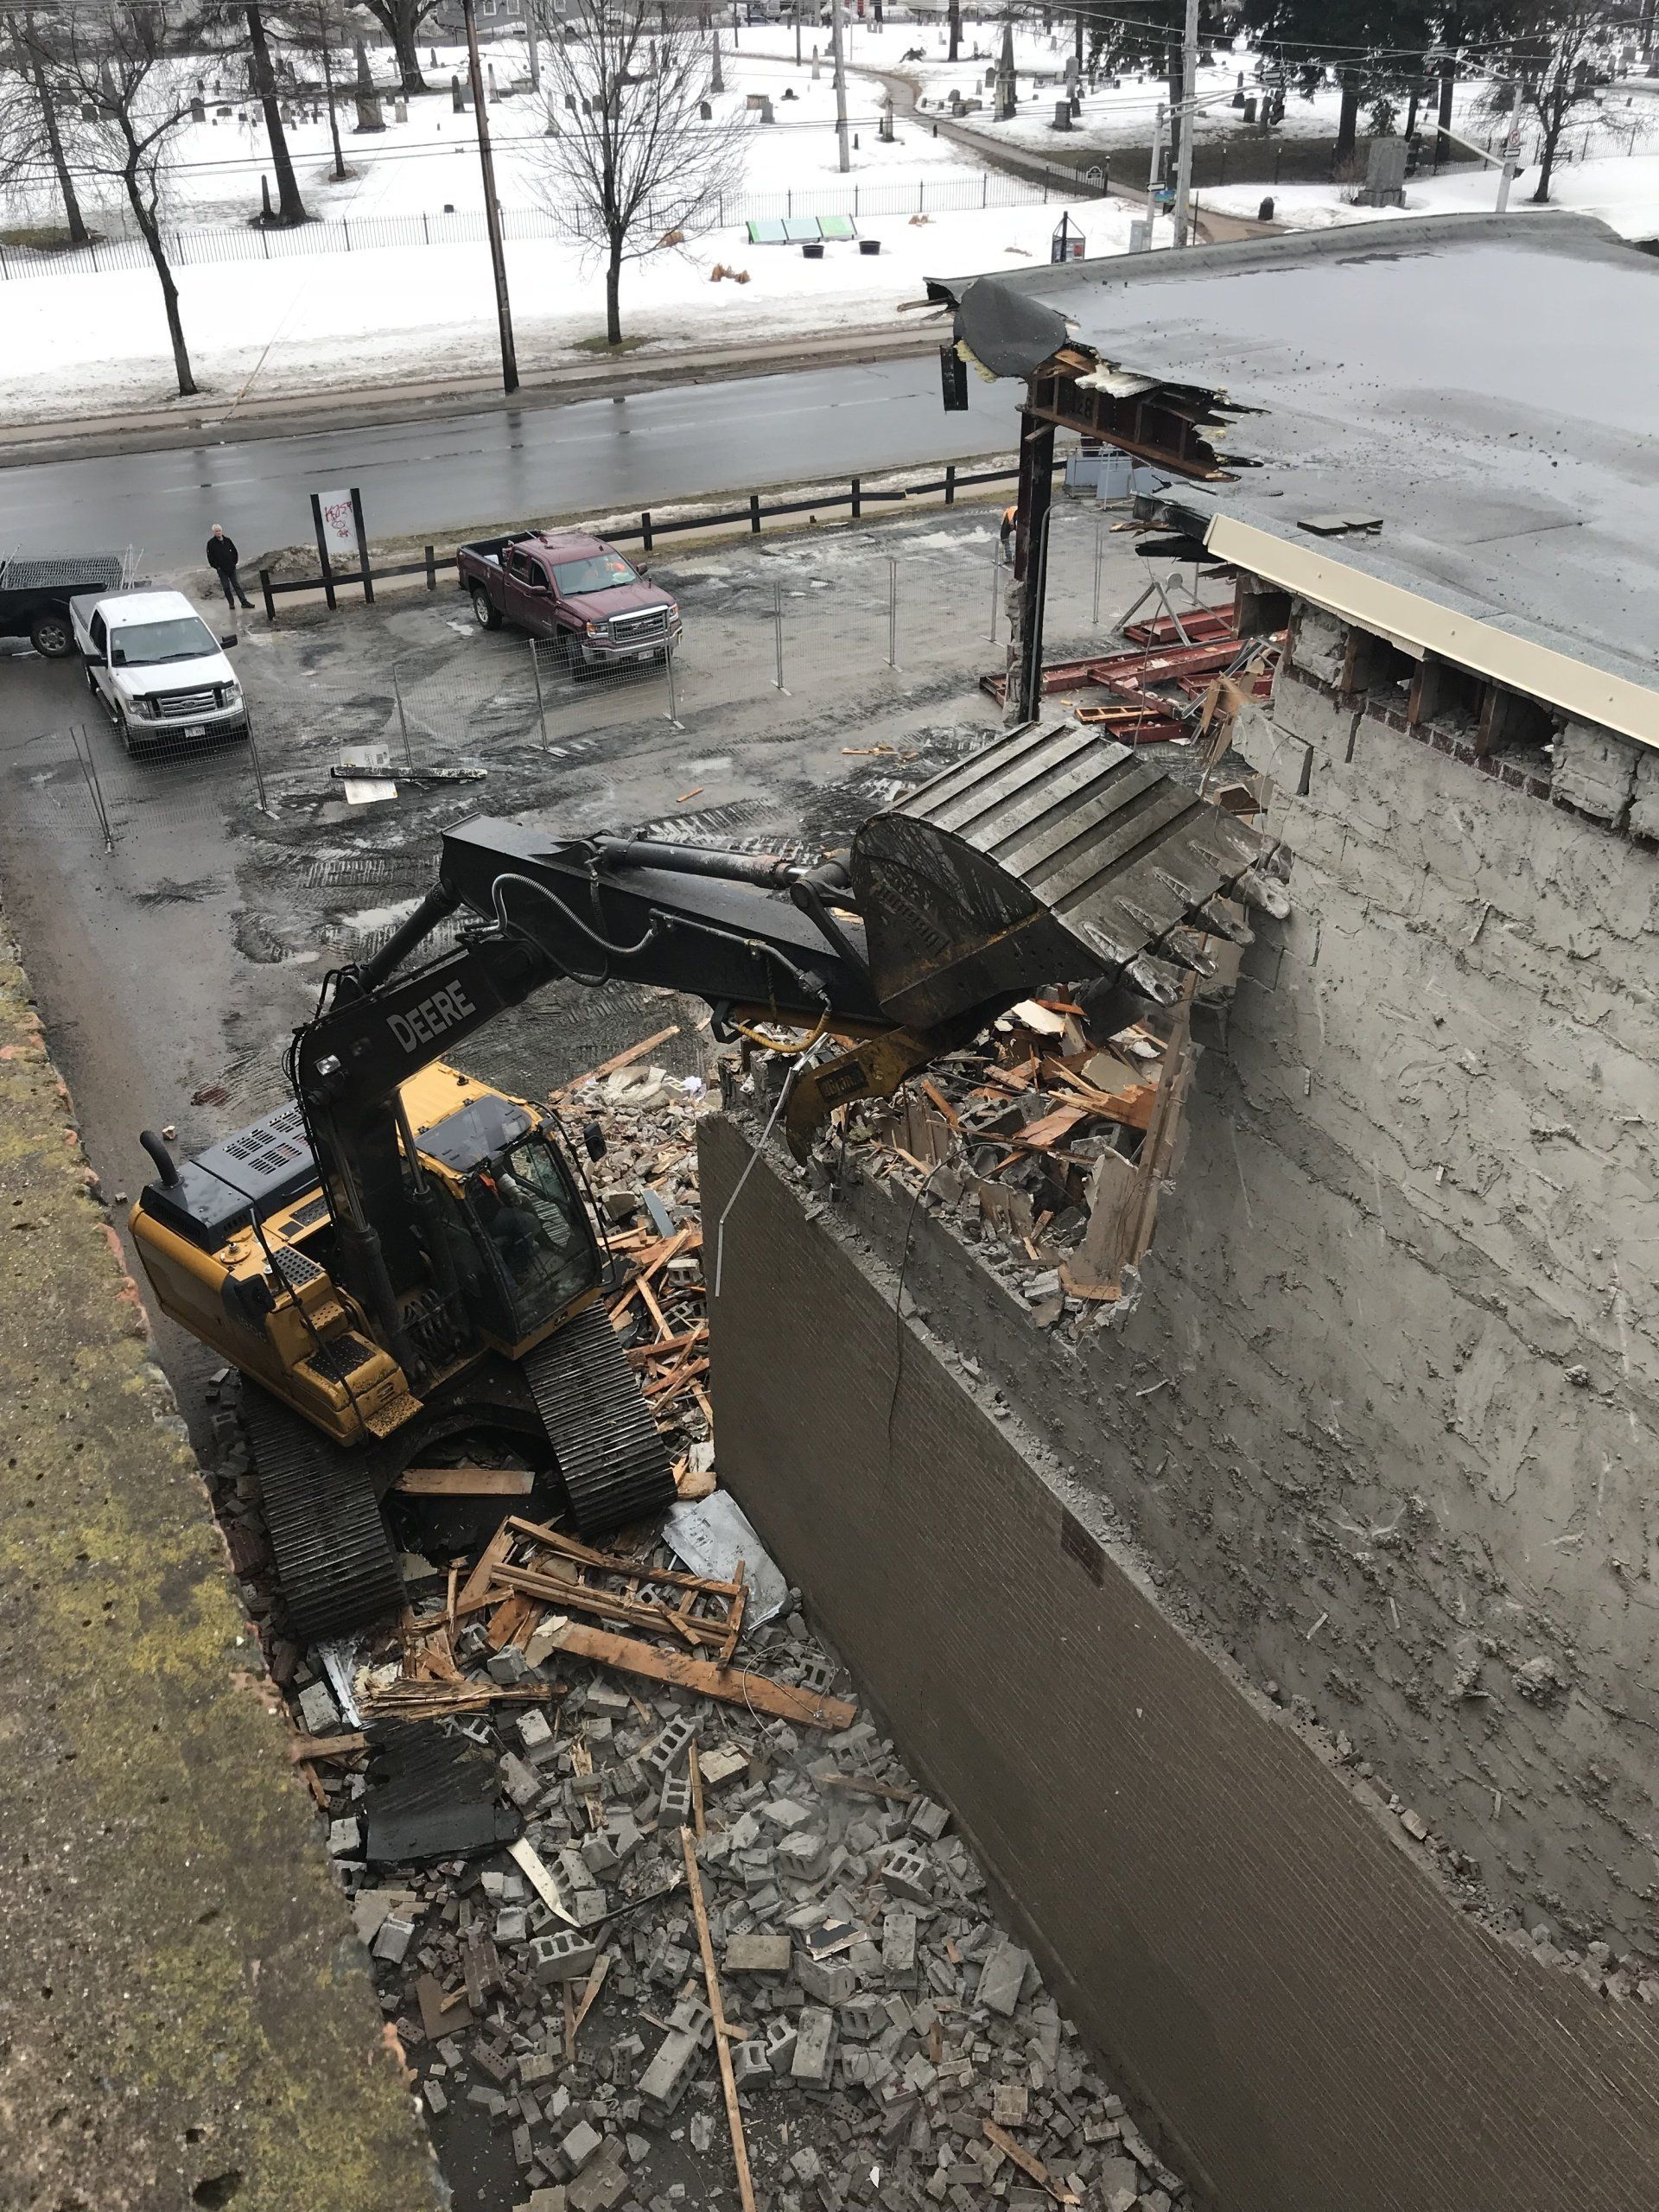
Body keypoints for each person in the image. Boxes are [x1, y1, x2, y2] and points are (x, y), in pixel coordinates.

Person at [206, 524, 253, 612]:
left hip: (231, 568)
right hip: (221, 570)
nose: (218, 532)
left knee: (236, 585)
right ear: (214, 532)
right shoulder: (211, 543)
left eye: (219, 530)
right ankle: (231, 604)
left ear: (222, 531)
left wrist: (234, 563)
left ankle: (244, 602)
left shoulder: (228, 541)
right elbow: (210, 557)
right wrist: (217, 567)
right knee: (226, 587)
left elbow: (235, 552)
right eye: (216, 531)